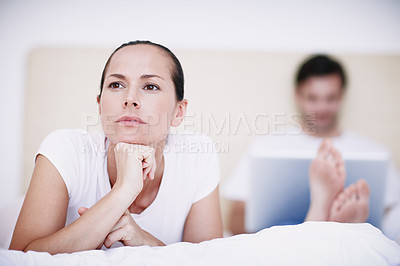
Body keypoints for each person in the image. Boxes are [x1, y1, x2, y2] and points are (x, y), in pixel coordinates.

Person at [9, 40, 223, 254]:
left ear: (179, 112)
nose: (130, 99)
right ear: (100, 105)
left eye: (150, 86)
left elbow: (208, 260)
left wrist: (143, 240)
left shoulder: (198, 157)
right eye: (116, 85)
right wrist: (123, 192)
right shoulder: (65, 149)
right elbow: (20, 258)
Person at [222, 55, 400, 236]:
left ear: (342, 96)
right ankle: (330, 224)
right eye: (313, 98)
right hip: (281, 239)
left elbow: (393, 216)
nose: (322, 107)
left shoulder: (373, 153)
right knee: (287, 234)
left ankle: (325, 223)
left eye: (331, 98)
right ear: (297, 95)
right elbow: (237, 214)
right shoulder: (265, 148)